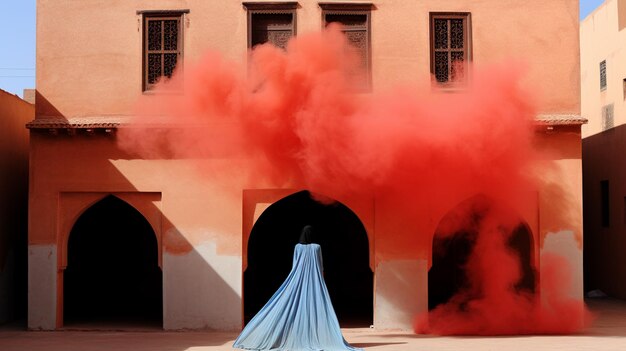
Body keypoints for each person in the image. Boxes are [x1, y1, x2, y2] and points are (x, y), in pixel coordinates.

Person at [233, 225, 361, 351]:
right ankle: (317, 337)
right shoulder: (317, 247)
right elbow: (320, 266)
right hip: (314, 279)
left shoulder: (297, 247)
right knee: (315, 304)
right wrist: (321, 280)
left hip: (298, 278)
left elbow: (295, 265)